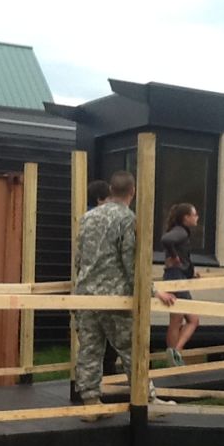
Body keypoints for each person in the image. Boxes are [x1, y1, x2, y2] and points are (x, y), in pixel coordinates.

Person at [74, 170, 176, 420]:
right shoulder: (128, 219)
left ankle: (90, 403)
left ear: (110, 189)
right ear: (133, 192)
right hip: (116, 297)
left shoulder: (87, 218)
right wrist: (151, 290)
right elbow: (132, 263)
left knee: (89, 349)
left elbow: (79, 258)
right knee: (133, 349)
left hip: (86, 295)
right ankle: (146, 401)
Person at [160, 203, 201, 366]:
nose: (197, 218)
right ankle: (175, 353)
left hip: (176, 275)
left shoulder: (181, 232)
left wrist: (191, 272)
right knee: (193, 319)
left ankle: (174, 355)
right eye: (195, 214)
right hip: (176, 278)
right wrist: (174, 256)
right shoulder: (181, 231)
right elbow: (166, 239)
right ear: (186, 218)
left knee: (176, 319)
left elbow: (184, 258)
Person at [86, 179, 118, 377]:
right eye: (108, 199)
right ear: (100, 200)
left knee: (90, 345)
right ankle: (108, 378)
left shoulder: (84, 219)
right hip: (105, 288)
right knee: (110, 338)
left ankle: (88, 387)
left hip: (87, 288)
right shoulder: (102, 221)